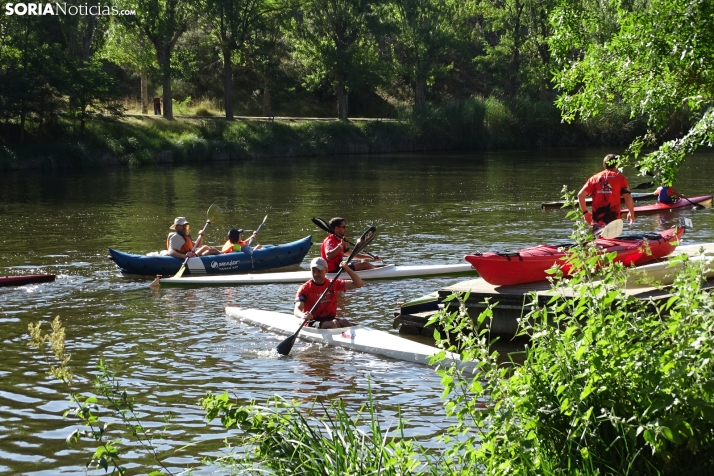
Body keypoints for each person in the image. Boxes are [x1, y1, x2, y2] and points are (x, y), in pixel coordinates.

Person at [294, 257, 364, 329]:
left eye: (319, 271)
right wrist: (303, 315)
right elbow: (297, 310)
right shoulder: (305, 288)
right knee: (332, 325)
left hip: (329, 319)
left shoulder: (333, 283)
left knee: (344, 322)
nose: (315, 274)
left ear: (326, 270)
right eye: (313, 271)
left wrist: (347, 269)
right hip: (311, 321)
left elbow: (359, 284)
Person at [578, 154, 635, 230]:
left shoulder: (594, 178)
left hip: (597, 219)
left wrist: (585, 213)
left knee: (599, 240)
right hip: (614, 218)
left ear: (604, 165)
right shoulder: (621, 178)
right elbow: (627, 197)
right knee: (612, 241)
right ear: (617, 164)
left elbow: (580, 195)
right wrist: (631, 212)